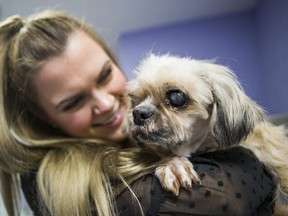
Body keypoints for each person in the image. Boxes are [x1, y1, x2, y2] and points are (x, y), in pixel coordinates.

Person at [0, 10, 277, 216]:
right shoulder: (57, 180)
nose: (107, 104)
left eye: (105, 74)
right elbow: (222, 201)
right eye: (73, 102)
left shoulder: (141, 136)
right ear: (44, 118)